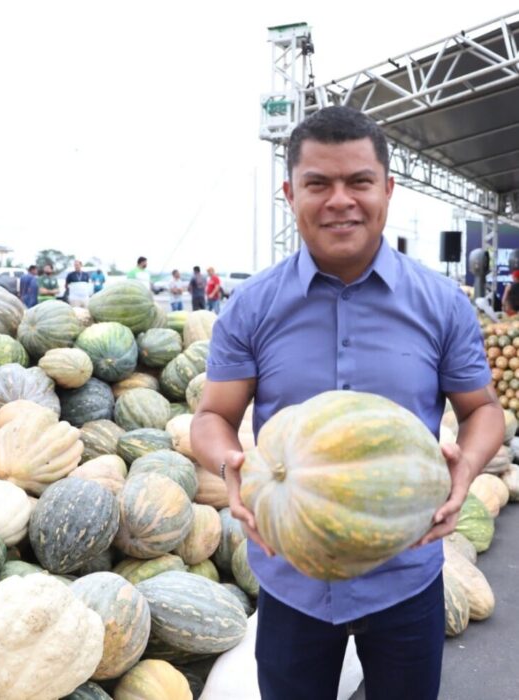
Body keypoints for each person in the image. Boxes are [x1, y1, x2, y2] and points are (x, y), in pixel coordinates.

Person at [190, 105, 503, 700]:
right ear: (290, 192)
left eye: (358, 181)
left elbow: (482, 409)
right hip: (292, 576)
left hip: (406, 575)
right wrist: (227, 462)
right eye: (318, 183)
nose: (340, 200)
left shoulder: (441, 304)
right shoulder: (252, 306)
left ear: (387, 188)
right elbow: (212, 418)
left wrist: (466, 467)